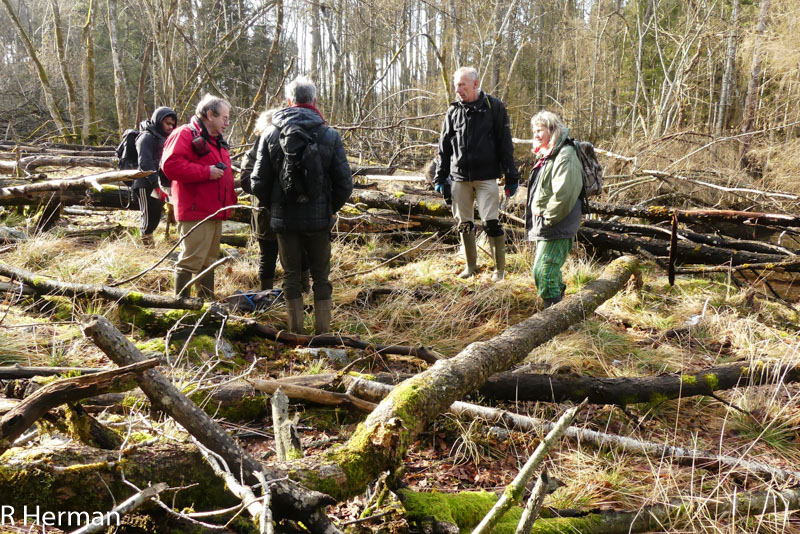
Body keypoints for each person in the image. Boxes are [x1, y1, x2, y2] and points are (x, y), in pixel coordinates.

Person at [250, 76, 353, 334]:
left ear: (289, 101)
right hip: (319, 221)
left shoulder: (270, 134)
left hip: (285, 221)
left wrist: (274, 207)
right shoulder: (329, 135)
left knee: (291, 276)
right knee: (321, 277)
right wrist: (329, 208)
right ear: (314, 101)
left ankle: (296, 333)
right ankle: (323, 334)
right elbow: (344, 184)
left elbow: (257, 182)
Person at [434, 66, 520, 282]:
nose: (457, 90)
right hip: (459, 177)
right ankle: (471, 267)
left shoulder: (494, 107)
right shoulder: (453, 111)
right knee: (464, 223)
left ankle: (499, 271)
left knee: (491, 222)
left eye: (461, 85)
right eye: (456, 86)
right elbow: (444, 147)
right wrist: (440, 177)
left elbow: (505, 144)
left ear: (475, 84)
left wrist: (511, 176)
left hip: (487, 176)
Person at [160, 94, 237, 299]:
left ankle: (206, 303)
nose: (227, 123)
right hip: (196, 211)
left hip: (214, 210)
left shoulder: (215, 140)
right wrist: (206, 172)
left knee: (209, 261)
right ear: (210, 115)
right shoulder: (184, 134)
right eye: (224, 118)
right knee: (190, 260)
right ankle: (180, 306)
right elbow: (170, 165)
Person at [240, 109, 311, 292]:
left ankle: (304, 291)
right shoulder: (255, 151)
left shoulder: (292, 145)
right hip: (265, 211)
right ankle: (266, 295)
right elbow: (246, 181)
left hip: (290, 211)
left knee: (299, 254)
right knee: (268, 256)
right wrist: (269, 192)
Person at [524, 111, 583, 308]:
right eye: (534, 131)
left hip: (557, 222)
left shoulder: (565, 154)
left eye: (540, 130)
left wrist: (548, 218)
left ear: (552, 130)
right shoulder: (548, 154)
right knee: (549, 271)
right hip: (548, 222)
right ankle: (561, 310)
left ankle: (553, 315)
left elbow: (564, 193)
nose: (536, 135)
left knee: (543, 272)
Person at [133, 107, 177, 246]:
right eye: (167, 123)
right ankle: (147, 248)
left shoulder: (165, 138)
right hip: (145, 184)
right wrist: (157, 184)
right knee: (147, 217)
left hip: (160, 185)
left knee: (156, 215)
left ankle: (149, 245)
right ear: (158, 121)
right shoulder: (146, 137)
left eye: (173, 124)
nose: (170, 127)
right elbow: (144, 163)